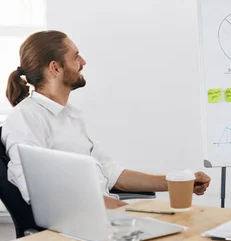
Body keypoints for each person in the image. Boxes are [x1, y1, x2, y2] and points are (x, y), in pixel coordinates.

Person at [1, 30, 211, 209]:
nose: (83, 62)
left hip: (103, 219)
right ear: (55, 68)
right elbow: (41, 193)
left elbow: (112, 174)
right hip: (73, 230)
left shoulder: (72, 116)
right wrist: (126, 212)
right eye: (76, 57)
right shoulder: (26, 119)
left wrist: (178, 183)